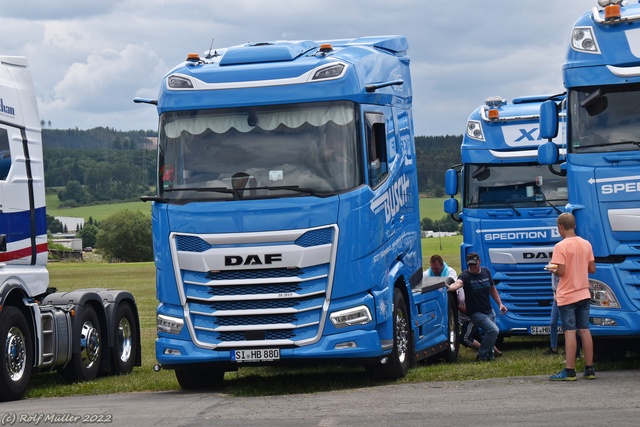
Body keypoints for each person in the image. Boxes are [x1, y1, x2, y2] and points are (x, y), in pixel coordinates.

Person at [548, 212, 596, 381]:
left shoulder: (560, 247)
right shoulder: (586, 244)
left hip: (567, 295)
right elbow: (592, 269)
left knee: (569, 332)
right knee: (584, 330)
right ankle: (589, 368)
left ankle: (570, 370)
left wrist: (552, 268)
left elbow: (561, 271)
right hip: (583, 292)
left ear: (560, 227)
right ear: (574, 225)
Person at [447, 252, 507, 362]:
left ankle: (491, 355)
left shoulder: (486, 272)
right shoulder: (465, 276)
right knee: (494, 330)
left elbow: (492, 289)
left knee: (491, 335)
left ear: (479, 261)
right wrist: (450, 287)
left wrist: (500, 304)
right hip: (475, 313)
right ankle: (481, 355)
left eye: (474, 264)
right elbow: (458, 283)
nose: (473, 267)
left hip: (489, 310)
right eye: (470, 265)